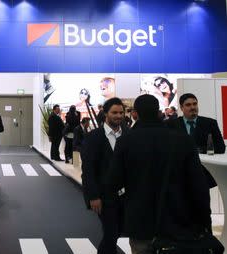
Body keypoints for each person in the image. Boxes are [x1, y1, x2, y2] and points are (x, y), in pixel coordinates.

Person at [104, 94, 213, 254]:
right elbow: (199, 185)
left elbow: (113, 183)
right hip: (179, 222)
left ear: (137, 113)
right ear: (158, 111)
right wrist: (205, 221)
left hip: (141, 221)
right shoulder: (183, 140)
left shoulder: (126, 141)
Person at [81, 97, 126, 254]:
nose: (118, 116)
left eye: (121, 112)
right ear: (106, 113)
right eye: (114, 112)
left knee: (119, 231)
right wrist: (93, 196)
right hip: (104, 196)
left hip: (126, 196)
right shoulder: (94, 137)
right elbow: (88, 169)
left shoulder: (128, 134)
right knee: (111, 233)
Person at [166, 93, 225, 188]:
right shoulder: (171, 125)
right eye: (188, 105)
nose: (193, 107)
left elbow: (221, 147)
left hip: (204, 175)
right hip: (179, 175)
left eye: (195, 104)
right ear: (181, 108)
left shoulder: (210, 123)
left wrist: (199, 150)